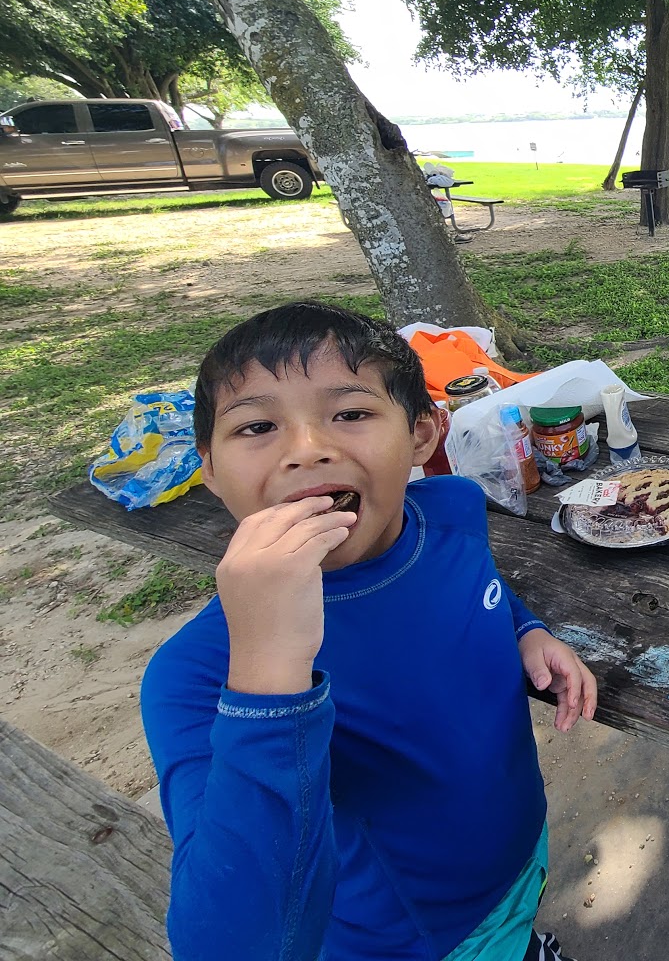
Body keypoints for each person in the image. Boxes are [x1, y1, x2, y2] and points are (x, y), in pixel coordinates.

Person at [141, 302, 598, 961]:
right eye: (259, 426)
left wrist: (525, 629)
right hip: (421, 939)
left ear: (422, 436)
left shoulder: (451, 510)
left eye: (350, 414)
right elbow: (233, 947)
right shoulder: (201, 674)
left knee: (521, 927)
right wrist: (269, 674)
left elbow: (474, 582)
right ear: (208, 469)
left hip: (518, 847)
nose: (307, 449)